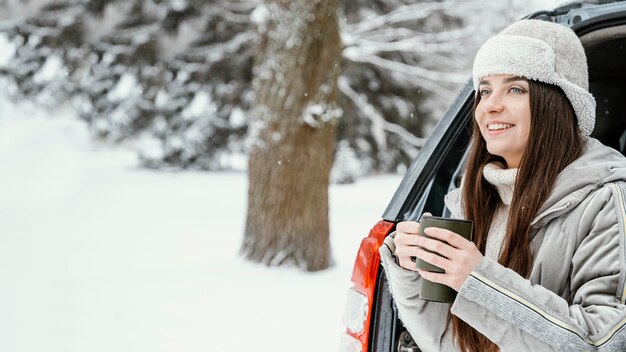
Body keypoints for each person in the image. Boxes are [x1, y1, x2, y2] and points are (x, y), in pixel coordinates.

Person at [379, 19, 626, 352]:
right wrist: (410, 274)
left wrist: (478, 281)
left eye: (515, 89)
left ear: (558, 103)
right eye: (484, 90)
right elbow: (452, 344)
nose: (490, 105)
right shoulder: (473, 200)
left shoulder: (607, 199)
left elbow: (604, 342)